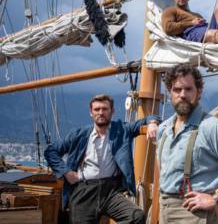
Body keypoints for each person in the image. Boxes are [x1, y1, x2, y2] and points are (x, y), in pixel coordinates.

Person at [146, 63, 218, 224]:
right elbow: (161, 165)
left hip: (194, 213)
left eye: (188, 89)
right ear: (169, 93)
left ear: (199, 92)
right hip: (164, 208)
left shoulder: (211, 127)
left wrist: (216, 199)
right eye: (177, 90)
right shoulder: (164, 129)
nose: (182, 94)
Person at [44, 94, 160, 224]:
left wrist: (152, 123)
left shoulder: (122, 130)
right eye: (97, 109)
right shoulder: (78, 135)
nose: (101, 113)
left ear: (112, 111)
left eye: (105, 109)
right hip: (84, 191)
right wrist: (66, 172)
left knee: (136, 216)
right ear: (91, 112)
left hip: (110, 191)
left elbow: (151, 117)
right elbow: (50, 151)